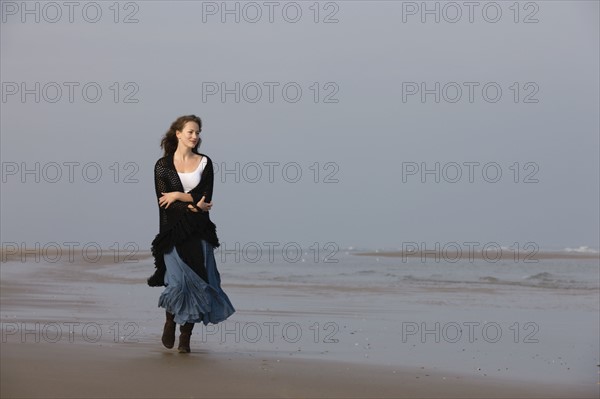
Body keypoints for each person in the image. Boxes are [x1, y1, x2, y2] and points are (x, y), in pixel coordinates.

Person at [147, 114, 235, 353]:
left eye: (198, 132)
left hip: (199, 232)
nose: (195, 136)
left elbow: (206, 196)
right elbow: (164, 202)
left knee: (198, 284)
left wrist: (178, 196)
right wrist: (191, 204)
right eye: (190, 132)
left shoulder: (205, 162)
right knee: (177, 284)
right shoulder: (162, 166)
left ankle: (185, 337)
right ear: (178, 134)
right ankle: (169, 321)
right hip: (172, 233)